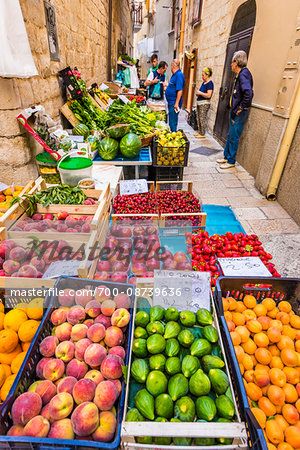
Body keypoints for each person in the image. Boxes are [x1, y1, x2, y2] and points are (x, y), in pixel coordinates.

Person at [217, 50, 253, 169]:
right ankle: (226, 157)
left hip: (239, 112)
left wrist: (241, 108)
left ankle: (231, 161)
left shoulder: (243, 74)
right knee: (230, 134)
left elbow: (248, 93)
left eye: (232, 62)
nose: (231, 65)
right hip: (234, 110)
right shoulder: (239, 75)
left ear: (236, 62)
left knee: (234, 136)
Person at [165, 59, 185, 132]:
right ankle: (172, 132)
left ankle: (173, 135)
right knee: (171, 120)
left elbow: (180, 90)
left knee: (173, 122)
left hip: (174, 102)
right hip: (171, 102)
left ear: (172, 66)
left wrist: (176, 103)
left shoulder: (179, 75)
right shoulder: (175, 75)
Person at [195, 67, 214, 138]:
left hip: (204, 104)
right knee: (199, 118)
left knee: (202, 118)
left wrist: (200, 93)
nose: (202, 77)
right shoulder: (204, 83)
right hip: (200, 103)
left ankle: (202, 134)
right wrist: (198, 93)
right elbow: (202, 92)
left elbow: (209, 95)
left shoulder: (210, 84)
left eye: (203, 75)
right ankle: (200, 132)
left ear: (207, 75)